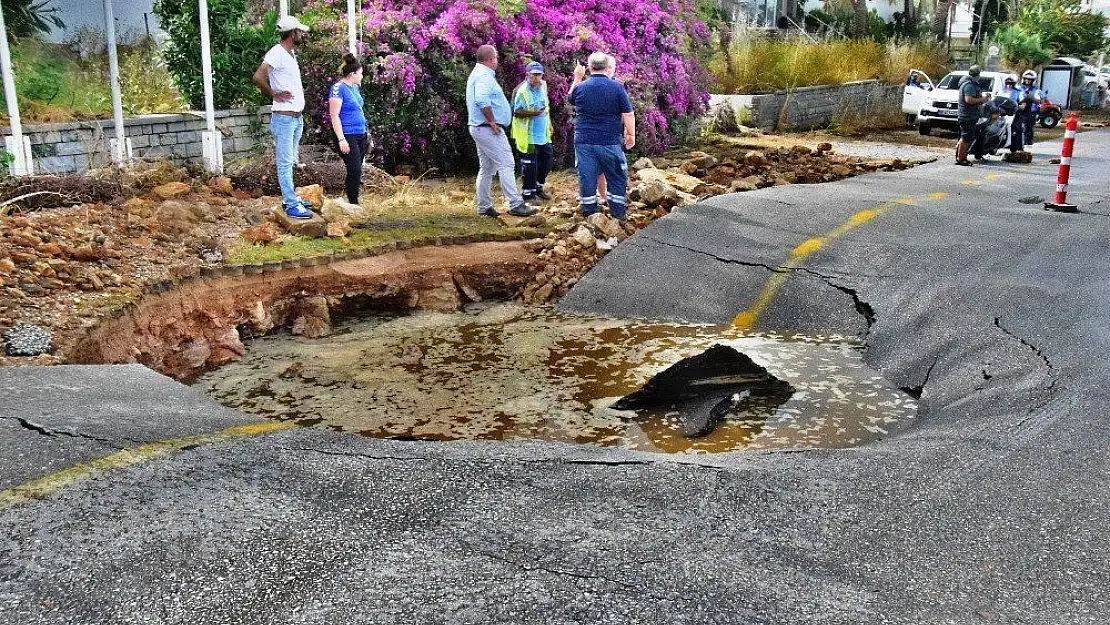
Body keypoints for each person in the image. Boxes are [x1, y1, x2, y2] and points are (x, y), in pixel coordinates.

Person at [465, 44, 538, 218]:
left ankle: (484, 206)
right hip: (487, 128)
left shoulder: (480, 74)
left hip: (479, 128)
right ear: (491, 60)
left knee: (487, 168)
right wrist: (491, 121)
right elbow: (481, 100)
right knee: (506, 163)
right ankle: (516, 204)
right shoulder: (483, 76)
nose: (497, 60)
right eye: (496, 57)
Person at [252, 15, 313, 219]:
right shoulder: (276, 52)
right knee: (285, 162)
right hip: (284, 119)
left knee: (291, 160)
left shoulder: (290, 54)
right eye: (300, 32)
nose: (303, 35)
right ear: (292, 34)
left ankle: (292, 198)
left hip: (296, 119)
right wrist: (274, 94)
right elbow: (258, 76)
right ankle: (289, 203)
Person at [568, 52, 635, 220]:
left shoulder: (581, 88)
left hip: (584, 141)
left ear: (590, 68)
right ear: (607, 67)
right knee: (616, 176)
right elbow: (628, 114)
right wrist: (631, 135)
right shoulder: (617, 87)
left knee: (587, 176)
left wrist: (578, 77)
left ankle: (589, 213)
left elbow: (570, 98)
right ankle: (618, 214)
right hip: (609, 141)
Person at [328, 53, 369, 205]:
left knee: (357, 169)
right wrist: (341, 139)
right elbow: (334, 115)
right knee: (354, 169)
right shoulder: (338, 88)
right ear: (353, 74)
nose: (362, 76)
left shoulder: (355, 88)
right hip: (347, 134)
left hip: (360, 133)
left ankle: (354, 201)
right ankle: (353, 204)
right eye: (361, 73)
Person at [511, 61, 553, 202]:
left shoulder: (543, 86)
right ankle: (528, 194)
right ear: (527, 74)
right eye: (533, 75)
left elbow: (546, 106)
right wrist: (533, 113)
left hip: (543, 132)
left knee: (546, 159)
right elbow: (516, 112)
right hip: (527, 134)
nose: (536, 78)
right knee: (530, 164)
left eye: (539, 74)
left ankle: (538, 187)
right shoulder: (521, 91)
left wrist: (550, 123)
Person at [956, 65, 989, 166]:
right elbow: (969, 100)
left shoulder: (971, 84)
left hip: (969, 115)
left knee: (966, 137)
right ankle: (961, 159)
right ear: (978, 74)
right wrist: (982, 100)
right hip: (967, 116)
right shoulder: (969, 85)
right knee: (966, 138)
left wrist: (983, 98)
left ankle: (960, 156)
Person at [999, 74, 1025, 153]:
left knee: (1015, 128)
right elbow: (996, 99)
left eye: (1011, 83)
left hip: (1013, 113)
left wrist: (1020, 106)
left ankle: (1015, 147)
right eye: (1007, 83)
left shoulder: (1018, 92)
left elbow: (1023, 103)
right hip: (1001, 113)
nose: (1008, 85)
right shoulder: (1001, 91)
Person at [1019, 70, 1044, 146]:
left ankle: (1028, 143)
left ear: (1033, 81)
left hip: (1030, 111)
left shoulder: (1036, 90)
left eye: (1030, 79)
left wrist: (1031, 97)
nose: (1027, 81)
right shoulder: (1018, 88)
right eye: (1026, 79)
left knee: (1028, 128)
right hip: (1018, 109)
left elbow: (1039, 101)